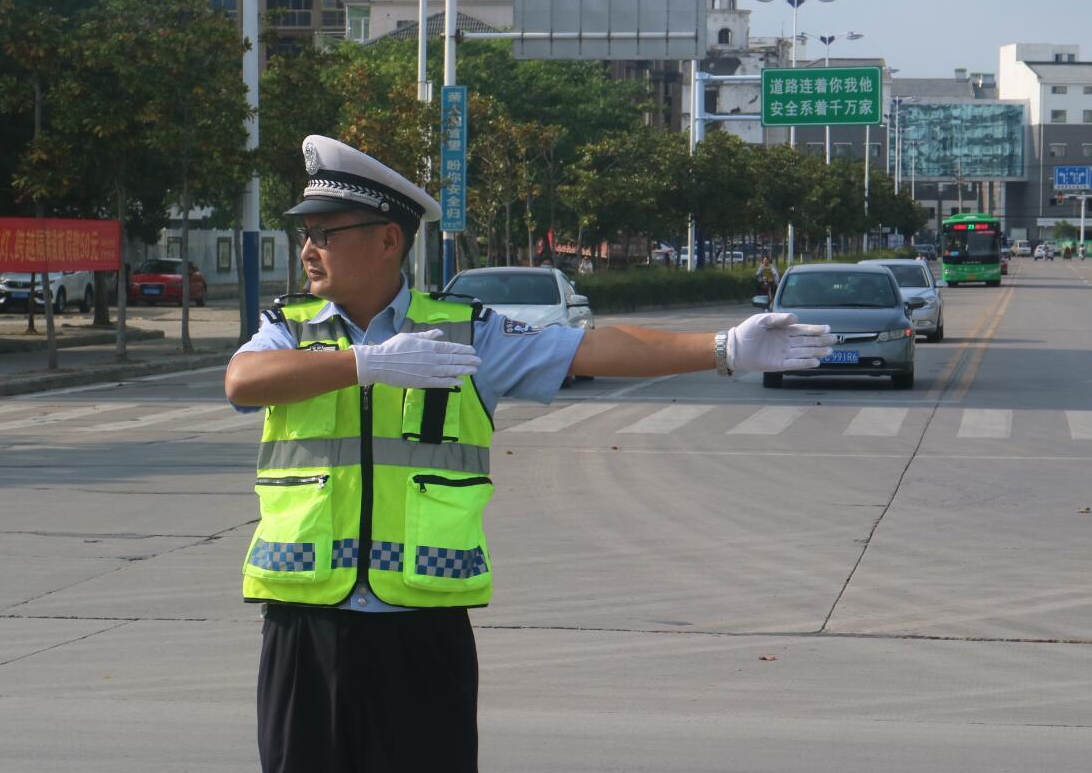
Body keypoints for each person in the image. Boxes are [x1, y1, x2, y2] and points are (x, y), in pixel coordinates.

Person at [224, 136, 835, 773]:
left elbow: (592, 350)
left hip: (421, 630)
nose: (307, 248)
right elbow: (242, 382)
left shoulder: (464, 330)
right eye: (306, 233)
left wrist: (722, 349)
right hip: (305, 624)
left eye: (325, 232)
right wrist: (366, 363)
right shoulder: (291, 329)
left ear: (387, 240)